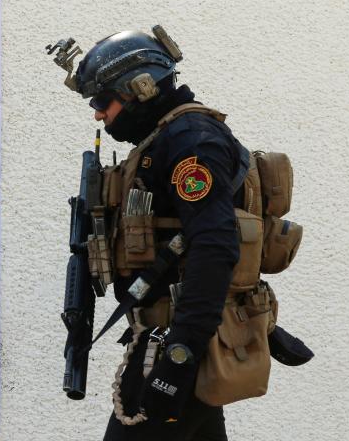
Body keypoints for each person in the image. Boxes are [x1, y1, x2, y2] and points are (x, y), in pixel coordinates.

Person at [65, 27, 252, 441]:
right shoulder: (164, 139)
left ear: (140, 89)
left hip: (173, 346)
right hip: (167, 340)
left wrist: (178, 361)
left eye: (102, 101)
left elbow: (215, 247)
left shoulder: (191, 142)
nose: (98, 114)